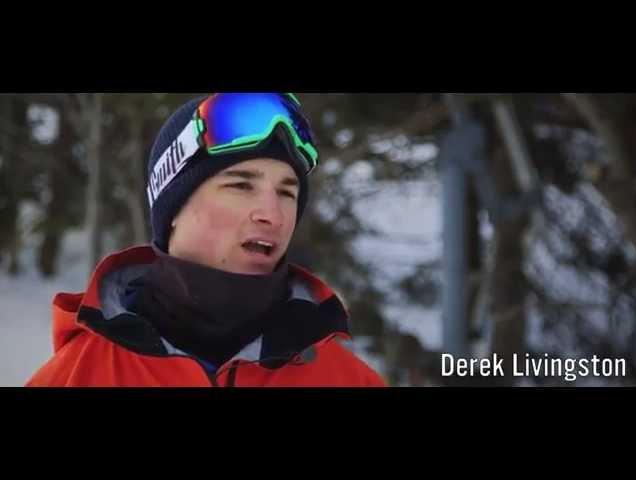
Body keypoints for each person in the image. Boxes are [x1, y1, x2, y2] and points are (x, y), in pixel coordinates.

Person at [26, 93, 386, 387]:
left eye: (287, 193)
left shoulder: (348, 379)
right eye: (241, 185)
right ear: (174, 210)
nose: (272, 215)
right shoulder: (77, 377)